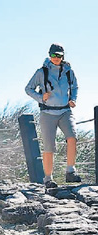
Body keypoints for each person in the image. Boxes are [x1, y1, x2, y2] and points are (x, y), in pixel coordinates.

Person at [25, 43, 80, 188]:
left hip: (65, 111)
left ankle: (70, 171)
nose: (57, 58)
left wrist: (73, 99)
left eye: (59, 55)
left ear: (63, 56)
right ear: (49, 55)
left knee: (72, 137)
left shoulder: (69, 71)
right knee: (49, 146)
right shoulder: (41, 72)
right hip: (47, 113)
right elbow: (28, 89)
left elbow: (75, 86)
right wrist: (41, 97)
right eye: (54, 55)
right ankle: (48, 179)